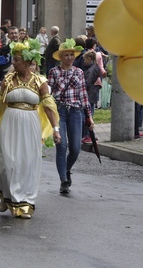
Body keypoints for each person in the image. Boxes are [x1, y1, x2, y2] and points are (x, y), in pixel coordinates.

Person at [0, 39, 60, 218]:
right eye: (14, 60)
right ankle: (6, 195)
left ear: (26, 62)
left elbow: (49, 106)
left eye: (17, 60)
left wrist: (55, 129)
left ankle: (26, 202)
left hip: (30, 125)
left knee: (28, 163)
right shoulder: (8, 80)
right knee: (7, 163)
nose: (13, 63)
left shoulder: (40, 81)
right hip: (10, 124)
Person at [47, 38, 95, 194]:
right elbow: (51, 95)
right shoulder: (53, 72)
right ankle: (63, 180)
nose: (69, 58)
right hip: (60, 110)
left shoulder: (79, 72)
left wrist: (89, 116)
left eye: (71, 55)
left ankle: (66, 169)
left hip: (75, 111)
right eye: (66, 55)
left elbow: (83, 95)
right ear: (60, 57)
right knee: (62, 145)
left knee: (75, 148)